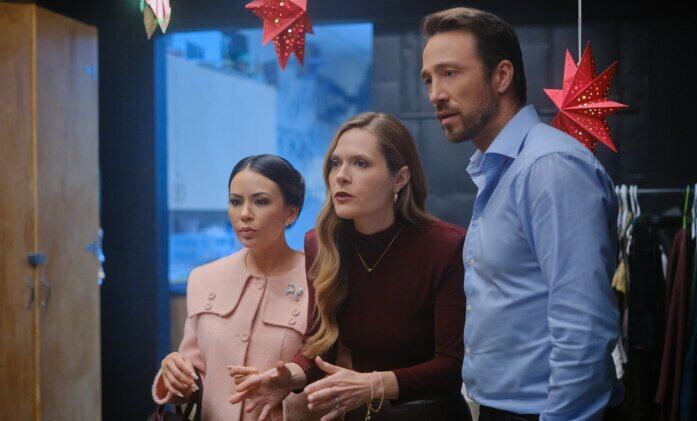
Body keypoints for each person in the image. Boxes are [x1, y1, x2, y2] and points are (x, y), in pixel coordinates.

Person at [420, 7, 621, 421]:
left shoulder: (549, 166)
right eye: (428, 79)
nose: (435, 94)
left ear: (501, 76)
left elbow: (583, 327)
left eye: (450, 73)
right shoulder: (502, 169)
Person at [229, 112, 472, 421]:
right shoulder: (322, 243)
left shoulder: (445, 246)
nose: (341, 176)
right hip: (361, 413)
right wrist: (290, 377)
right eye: (335, 163)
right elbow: (321, 345)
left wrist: (373, 384)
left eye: (360, 163)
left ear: (399, 178)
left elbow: (452, 366)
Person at [151, 154, 320, 420]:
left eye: (261, 202)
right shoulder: (204, 277)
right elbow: (192, 379)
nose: (245, 214)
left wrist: (285, 390)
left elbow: (331, 375)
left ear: (291, 212)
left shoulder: (320, 281)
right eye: (235, 201)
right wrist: (174, 375)